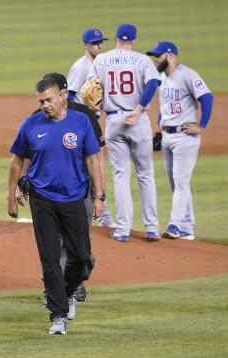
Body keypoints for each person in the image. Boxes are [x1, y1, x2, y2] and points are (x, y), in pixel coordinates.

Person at [7, 75, 104, 335]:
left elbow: (94, 160)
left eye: (49, 99)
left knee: (82, 259)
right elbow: (17, 160)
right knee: (49, 258)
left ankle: (66, 291)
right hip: (42, 199)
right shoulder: (31, 124)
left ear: (64, 95)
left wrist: (99, 196)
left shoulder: (81, 121)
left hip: (74, 197)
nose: (44, 105)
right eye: (41, 101)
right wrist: (12, 193)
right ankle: (58, 315)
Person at [87, 23, 161, 242]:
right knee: (146, 174)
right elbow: (153, 83)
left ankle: (123, 229)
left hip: (113, 119)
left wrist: (97, 110)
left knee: (120, 175)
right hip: (138, 121)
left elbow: (90, 87)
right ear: (134, 41)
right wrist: (138, 110)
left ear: (117, 38)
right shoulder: (143, 60)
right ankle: (152, 228)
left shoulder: (101, 59)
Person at [146, 41, 214, 240]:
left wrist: (201, 125)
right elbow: (165, 107)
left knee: (181, 181)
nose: (155, 59)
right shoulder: (162, 78)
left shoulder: (187, 75)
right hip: (167, 135)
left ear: (170, 55)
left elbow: (207, 98)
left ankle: (175, 224)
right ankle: (187, 227)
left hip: (186, 137)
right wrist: (160, 126)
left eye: (158, 55)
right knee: (176, 184)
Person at [67, 28, 117, 229]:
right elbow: (69, 97)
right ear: (85, 45)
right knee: (94, 161)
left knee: (91, 164)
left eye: (101, 42)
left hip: (92, 119)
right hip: (82, 119)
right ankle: (102, 213)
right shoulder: (80, 67)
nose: (99, 46)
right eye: (95, 43)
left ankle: (97, 210)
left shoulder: (99, 65)